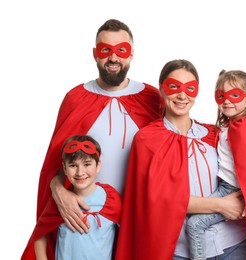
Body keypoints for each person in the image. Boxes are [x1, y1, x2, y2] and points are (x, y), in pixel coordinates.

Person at [21, 19, 162, 259]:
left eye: (122, 50)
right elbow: (55, 164)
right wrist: (58, 190)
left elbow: (171, 153)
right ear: (95, 54)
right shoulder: (76, 99)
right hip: (86, 218)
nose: (114, 58)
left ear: (132, 54)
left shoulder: (151, 98)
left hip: (139, 217)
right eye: (106, 50)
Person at [115, 59, 246, 260]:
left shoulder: (214, 134)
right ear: (161, 90)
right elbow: (159, 200)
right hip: (181, 250)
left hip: (234, 243)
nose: (182, 95)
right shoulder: (147, 140)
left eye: (190, 88)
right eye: (174, 87)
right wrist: (222, 205)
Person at [186, 69, 246, 260]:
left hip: (231, 190)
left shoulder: (244, 128)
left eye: (234, 95)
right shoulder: (232, 125)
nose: (226, 101)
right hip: (226, 187)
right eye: (221, 96)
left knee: (194, 224)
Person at [32, 135, 122, 260]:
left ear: (98, 165)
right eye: (73, 165)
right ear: (64, 168)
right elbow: (39, 235)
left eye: (87, 164)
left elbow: (130, 233)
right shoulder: (61, 202)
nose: (80, 172)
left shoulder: (111, 199)